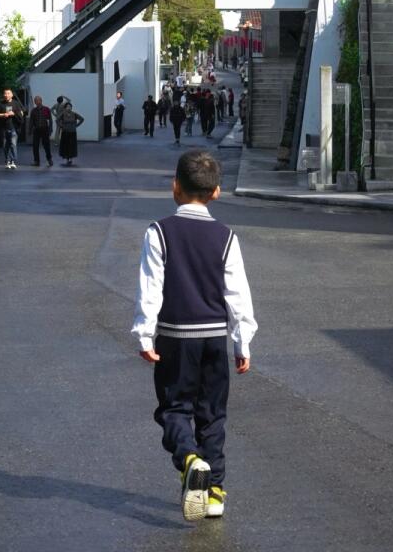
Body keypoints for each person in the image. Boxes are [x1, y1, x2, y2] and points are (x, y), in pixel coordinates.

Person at [131, 150, 257, 523]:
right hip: (215, 337)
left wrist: (145, 334)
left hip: (175, 335)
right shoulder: (226, 236)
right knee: (212, 414)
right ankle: (214, 492)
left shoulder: (159, 232)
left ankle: (189, 458)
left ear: (175, 187)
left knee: (173, 408)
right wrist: (242, 341)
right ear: (216, 192)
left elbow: (150, 287)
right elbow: (238, 293)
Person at [0, 87, 24, 170]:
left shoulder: (16, 103)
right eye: (5, 93)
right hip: (3, 127)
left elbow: (21, 113)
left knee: (13, 144)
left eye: (8, 93)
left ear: (12, 95)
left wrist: (14, 113)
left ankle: (13, 161)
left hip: (13, 127)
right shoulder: (1, 103)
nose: (6, 95)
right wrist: (3, 115)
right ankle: (7, 161)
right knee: (5, 145)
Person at [56, 99, 85, 165]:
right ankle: (67, 158)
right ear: (65, 108)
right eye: (67, 107)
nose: (69, 108)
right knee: (66, 146)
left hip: (72, 132)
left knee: (72, 146)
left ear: (71, 108)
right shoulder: (63, 114)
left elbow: (82, 119)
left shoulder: (74, 114)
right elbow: (57, 120)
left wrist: (76, 125)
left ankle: (71, 158)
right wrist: (61, 126)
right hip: (65, 132)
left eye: (70, 107)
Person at [29, 95, 54, 168]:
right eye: (35, 101)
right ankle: (36, 161)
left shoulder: (46, 109)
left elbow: (50, 120)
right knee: (35, 146)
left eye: (38, 100)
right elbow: (31, 121)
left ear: (41, 101)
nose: (37, 102)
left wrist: (50, 130)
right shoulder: (33, 111)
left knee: (46, 146)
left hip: (45, 129)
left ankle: (49, 159)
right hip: (36, 130)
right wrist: (30, 130)